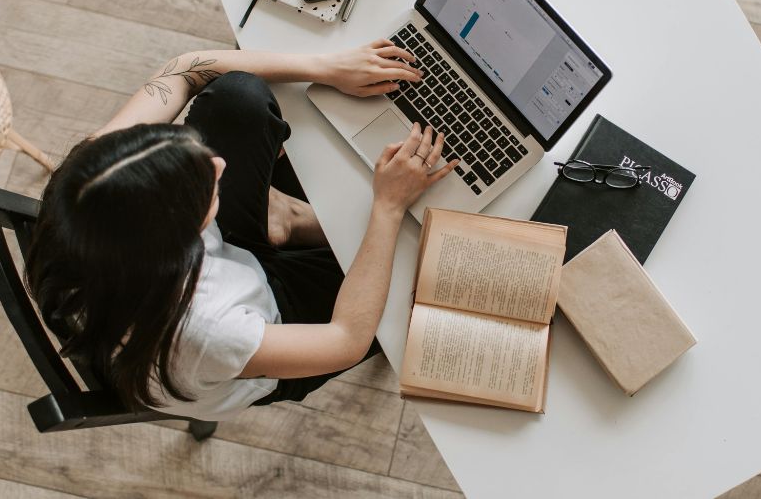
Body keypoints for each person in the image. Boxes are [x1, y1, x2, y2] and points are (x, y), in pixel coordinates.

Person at [24, 40, 460, 420]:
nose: (218, 164)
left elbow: (183, 70)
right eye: (204, 189)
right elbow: (345, 339)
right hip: (270, 326)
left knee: (236, 96)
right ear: (180, 241)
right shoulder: (209, 331)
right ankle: (289, 222)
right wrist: (386, 207)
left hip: (202, 274)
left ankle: (282, 221)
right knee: (424, 274)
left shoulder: (92, 179)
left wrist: (325, 66)